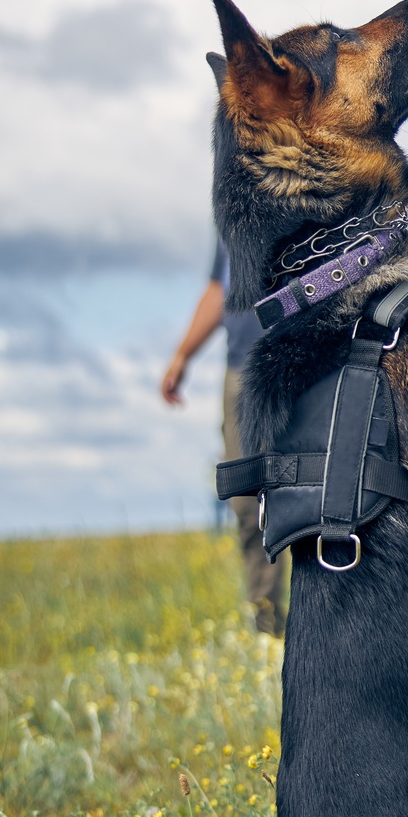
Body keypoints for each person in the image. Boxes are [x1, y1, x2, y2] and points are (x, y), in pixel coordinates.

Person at [161, 243, 286, 636]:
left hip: (299, 361)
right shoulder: (232, 212)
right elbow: (220, 289)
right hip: (240, 374)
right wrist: (184, 354)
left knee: (319, 500)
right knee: (248, 507)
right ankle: (268, 629)